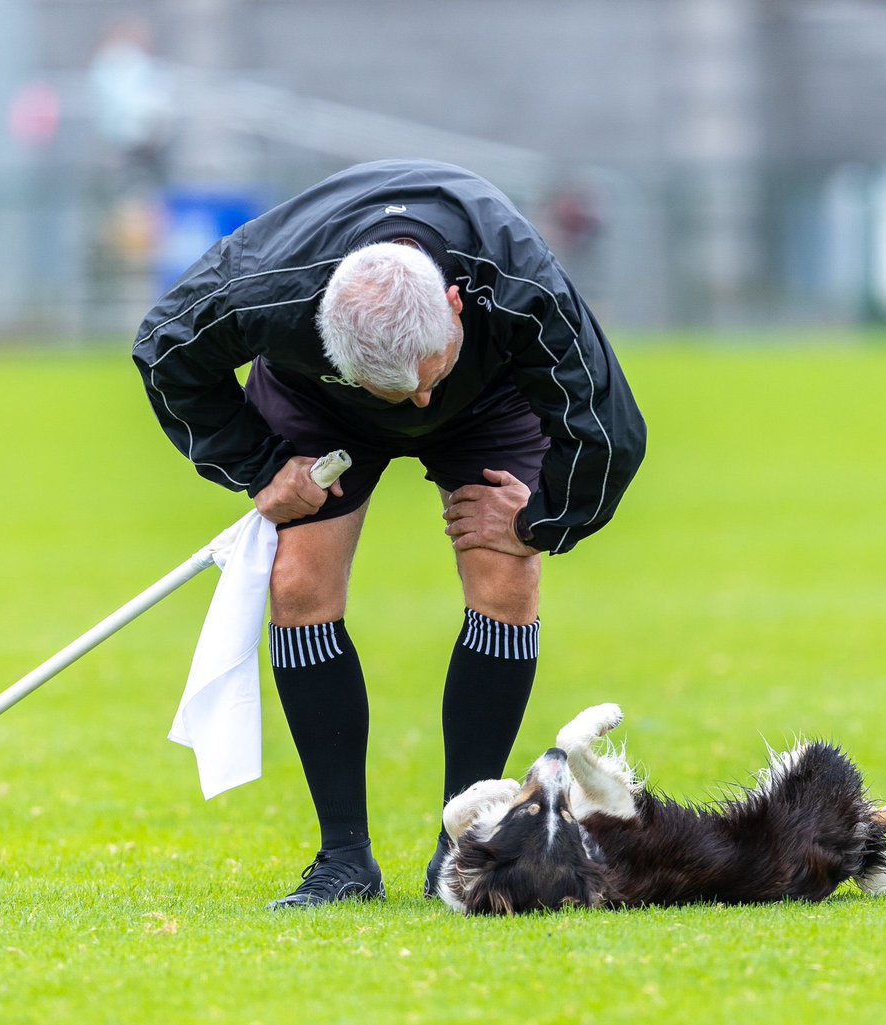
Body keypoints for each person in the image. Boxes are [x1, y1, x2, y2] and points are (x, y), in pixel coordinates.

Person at [132, 159, 646, 908]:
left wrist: (537, 518)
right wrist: (262, 465)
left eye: (427, 375)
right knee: (297, 583)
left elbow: (609, 429)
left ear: (454, 303)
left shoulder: (514, 278)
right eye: (403, 392)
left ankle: (463, 843)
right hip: (325, 403)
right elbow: (166, 349)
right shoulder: (272, 283)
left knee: (507, 574)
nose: (421, 399)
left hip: (492, 396)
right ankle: (344, 857)